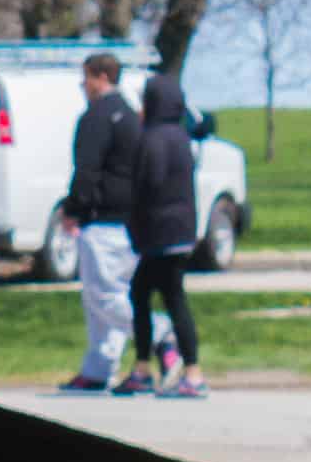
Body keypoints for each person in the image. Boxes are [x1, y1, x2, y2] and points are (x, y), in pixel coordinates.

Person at [119, 71, 210, 399]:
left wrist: (134, 222)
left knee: (167, 298)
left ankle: (190, 373)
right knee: (143, 292)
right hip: (181, 229)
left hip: (160, 232)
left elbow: (149, 184)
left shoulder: (153, 138)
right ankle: (145, 366)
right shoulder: (181, 136)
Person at [57, 51, 136, 390]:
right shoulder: (132, 116)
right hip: (131, 220)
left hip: (101, 219)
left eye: (85, 77)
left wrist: (74, 208)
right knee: (107, 296)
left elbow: (86, 169)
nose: (82, 85)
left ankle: (164, 335)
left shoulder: (96, 118)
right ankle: (99, 367)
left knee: (102, 297)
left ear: (101, 77)